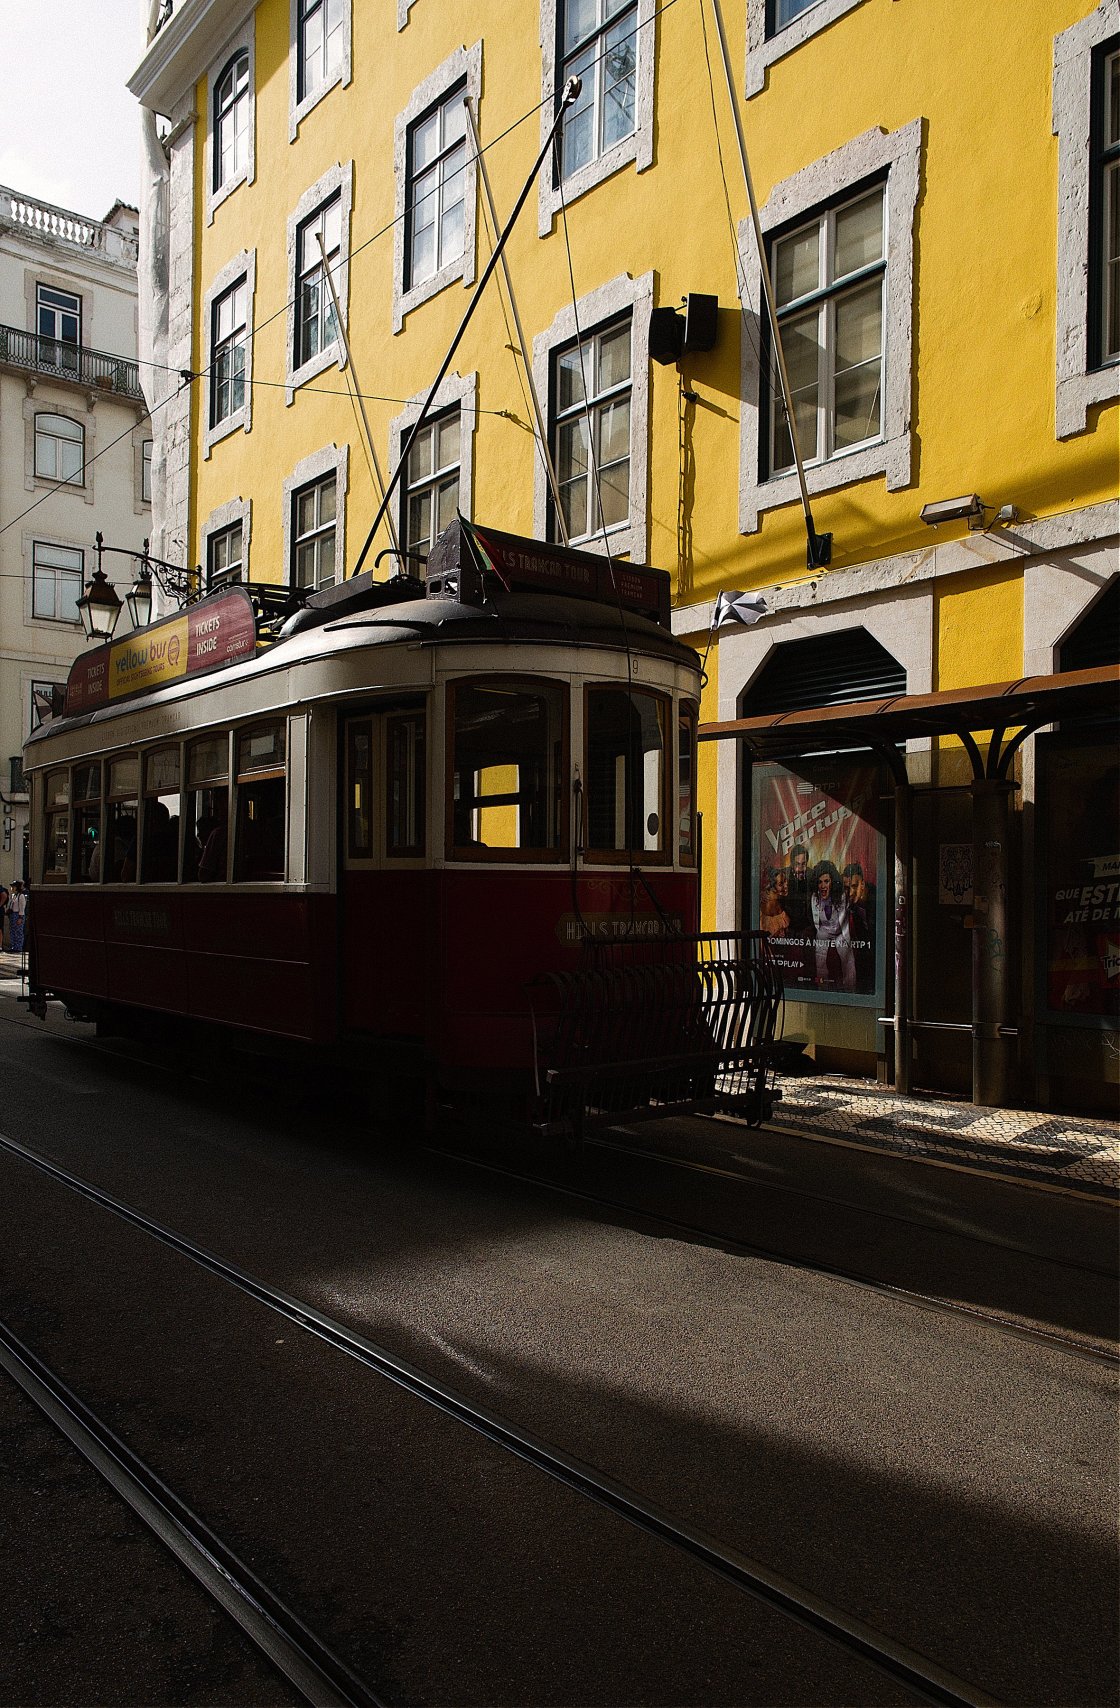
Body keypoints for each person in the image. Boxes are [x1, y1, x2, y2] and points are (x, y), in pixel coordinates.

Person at [811, 862, 856, 991]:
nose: (823, 886)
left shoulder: (841, 897)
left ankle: (850, 988)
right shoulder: (815, 898)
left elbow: (842, 923)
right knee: (820, 958)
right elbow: (816, 922)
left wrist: (841, 938)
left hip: (839, 931)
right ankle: (822, 987)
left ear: (832, 882)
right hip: (823, 931)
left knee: (847, 956)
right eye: (820, 882)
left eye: (826, 881)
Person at [8, 881, 28, 955]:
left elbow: (22, 908)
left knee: (18, 932)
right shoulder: (14, 895)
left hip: (18, 915)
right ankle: (13, 946)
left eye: (13, 886)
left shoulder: (21, 896)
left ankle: (18, 947)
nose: (12, 888)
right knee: (12, 931)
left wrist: (20, 917)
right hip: (12, 914)